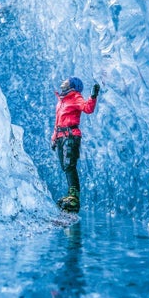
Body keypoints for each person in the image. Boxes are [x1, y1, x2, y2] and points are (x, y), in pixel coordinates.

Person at [51, 77, 99, 212]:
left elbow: (87, 108)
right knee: (66, 167)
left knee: (69, 165)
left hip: (71, 135)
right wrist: (54, 138)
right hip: (61, 136)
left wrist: (93, 96)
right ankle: (71, 195)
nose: (64, 81)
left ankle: (74, 197)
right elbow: (58, 121)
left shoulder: (75, 97)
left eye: (67, 80)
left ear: (72, 85)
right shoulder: (62, 100)